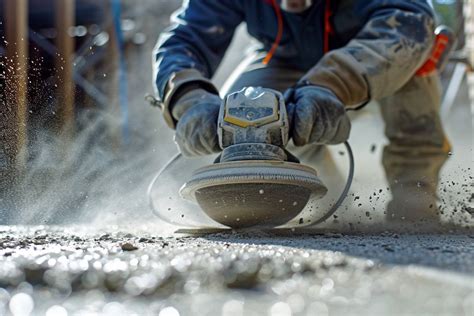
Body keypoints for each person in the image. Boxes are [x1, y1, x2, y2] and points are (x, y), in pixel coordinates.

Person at [152, 0, 451, 224]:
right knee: (243, 114)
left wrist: (333, 84)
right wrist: (186, 96)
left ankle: (415, 193)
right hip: (285, 57)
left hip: (373, 55)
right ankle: (331, 200)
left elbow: (409, 20)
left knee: (417, 58)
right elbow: (186, 36)